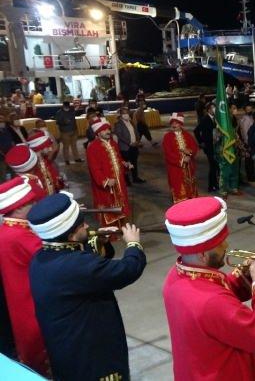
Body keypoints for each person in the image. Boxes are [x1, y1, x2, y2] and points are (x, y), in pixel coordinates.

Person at [28, 193, 146, 381]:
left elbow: (83, 266)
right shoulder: (74, 266)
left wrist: (99, 241)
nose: (87, 226)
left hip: (66, 351)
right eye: (82, 224)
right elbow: (127, 270)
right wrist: (133, 244)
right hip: (91, 354)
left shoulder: (41, 258)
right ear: (71, 233)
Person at [162, 196, 255, 381]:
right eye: (220, 244)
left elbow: (215, 304)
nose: (226, 246)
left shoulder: (176, 275)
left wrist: (243, 276)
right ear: (202, 255)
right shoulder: (212, 302)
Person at [0, 176, 49, 375]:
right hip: (31, 301)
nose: (36, 205)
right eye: (31, 202)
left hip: (20, 298)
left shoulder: (9, 231)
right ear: (19, 207)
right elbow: (48, 258)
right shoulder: (19, 235)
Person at [86, 119, 132, 226]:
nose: (108, 131)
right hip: (107, 184)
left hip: (119, 182)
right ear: (98, 132)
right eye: (104, 130)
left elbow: (118, 159)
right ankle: (111, 234)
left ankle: (122, 228)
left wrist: (124, 164)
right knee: (109, 205)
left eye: (108, 129)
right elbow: (94, 168)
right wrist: (105, 181)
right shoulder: (92, 147)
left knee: (121, 204)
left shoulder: (113, 143)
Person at [163, 113, 199, 203]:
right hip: (175, 168)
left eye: (176, 123)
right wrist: (182, 160)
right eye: (172, 123)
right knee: (178, 187)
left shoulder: (187, 135)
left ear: (181, 124)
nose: (174, 125)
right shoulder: (167, 137)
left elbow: (194, 147)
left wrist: (189, 154)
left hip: (189, 168)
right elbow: (168, 153)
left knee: (191, 188)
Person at [114, 107, 145, 184]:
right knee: (126, 164)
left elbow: (136, 132)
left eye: (127, 113)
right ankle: (126, 180)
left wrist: (138, 141)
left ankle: (135, 178)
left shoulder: (131, 122)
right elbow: (120, 136)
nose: (126, 115)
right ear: (120, 115)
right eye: (124, 113)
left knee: (134, 163)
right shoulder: (118, 124)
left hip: (134, 146)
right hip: (125, 147)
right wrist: (130, 143)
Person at [195, 102, 219, 192]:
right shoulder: (205, 119)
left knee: (216, 166)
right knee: (213, 166)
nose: (214, 110)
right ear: (209, 109)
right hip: (209, 146)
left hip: (215, 145)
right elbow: (196, 131)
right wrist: (201, 142)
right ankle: (211, 186)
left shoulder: (215, 119)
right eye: (213, 108)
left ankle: (215, 184)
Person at [54, 100, 82, 165]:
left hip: (74, 130)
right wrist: (64, 122)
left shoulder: (72, 110)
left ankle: (77, 158)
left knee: (74, 145)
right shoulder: (59, 113)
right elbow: (57, 122)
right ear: (63, 106)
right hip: (65, 132)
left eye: (68, 106)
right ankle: (66, 159)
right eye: (66, 106)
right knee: (66, 146)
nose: (67, 107)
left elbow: (76, 110)